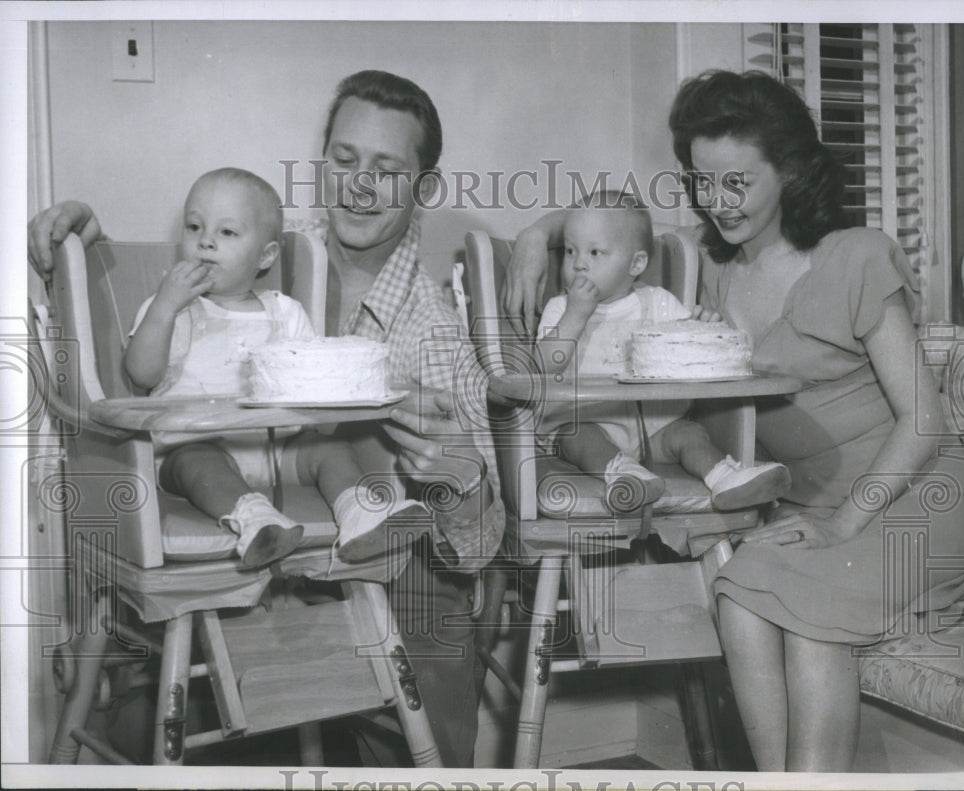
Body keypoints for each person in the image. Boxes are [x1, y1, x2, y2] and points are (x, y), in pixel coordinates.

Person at [502, 70, 964, 772]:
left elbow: (926, 422)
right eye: (701, 181)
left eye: (737, 183)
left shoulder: (855, 255)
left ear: (789, 171)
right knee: (740, 592)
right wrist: (534, 238)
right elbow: (610, 229)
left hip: (917, 497)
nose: (717, 202)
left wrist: (843, 523)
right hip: (808, 506)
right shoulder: (710, 272)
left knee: (809, 619)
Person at [29, 70, 503, 768]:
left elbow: (483, 544)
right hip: (240, 524)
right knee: (154, 680)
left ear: (423, 188)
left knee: (428, 587)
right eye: (344, 161)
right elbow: (175, 279)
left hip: (378, 558)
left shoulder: (434, 329)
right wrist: (85, 236)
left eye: (387, 170)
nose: (360, 186)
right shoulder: (269, 235)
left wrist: (462, 475)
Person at [535, 189, 790, 512]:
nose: (579, 264)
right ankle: (625, 476)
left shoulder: (657, 303)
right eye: (571, 252)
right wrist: (575, 317)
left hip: (654, 426)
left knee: (688, 434)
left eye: (595, 253)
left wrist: (704, 327)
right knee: (580, 439)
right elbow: (541, 367)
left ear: (636, 263)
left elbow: (689, 352)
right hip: (586, 421)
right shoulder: (560, 308)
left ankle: (725, 477)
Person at [124, 167, 312, 568]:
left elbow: (310, 383)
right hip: (189, 451)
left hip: (272, 453)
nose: (205, 241)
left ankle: (360, 510)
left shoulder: (286, 313)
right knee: (197, 461)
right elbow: (140, 375)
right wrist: (164, 307)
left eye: (226, 233)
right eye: (194, 227)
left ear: (265, 256)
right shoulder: (172, 310)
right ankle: (257, 521)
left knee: (332, 450)